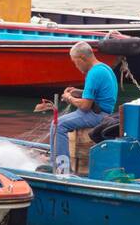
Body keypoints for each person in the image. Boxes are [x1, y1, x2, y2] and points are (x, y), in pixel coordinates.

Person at [35, 41, 119, 174]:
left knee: (58, 124)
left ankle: (61, 168)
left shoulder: (94, 73)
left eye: (75, 62)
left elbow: (85, 106)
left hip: (97, 115)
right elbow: (94, 95)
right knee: (59, 123)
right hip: (103, 112)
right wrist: (77, 91)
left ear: (82, 58)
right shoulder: (103, 68)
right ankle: (56, 159)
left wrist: (69, 98)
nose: (76, 66)